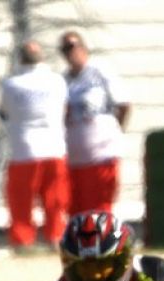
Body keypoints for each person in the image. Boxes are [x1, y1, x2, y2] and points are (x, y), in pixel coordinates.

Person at [0, 40, 69, 252]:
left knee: (21, 200)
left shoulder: (11, 84)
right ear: (42, 57)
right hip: (54, 146)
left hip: (24, 149)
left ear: (20, 58)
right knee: (55, 199)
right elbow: (65, 109)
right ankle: (56, 238)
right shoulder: (57, 81)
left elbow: (4, 112)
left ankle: (22, 241)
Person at [58, 31, 130, 215]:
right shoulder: (64, 80)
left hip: (101, 155)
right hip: (74, 158)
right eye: (64, 49)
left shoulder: (99, 72)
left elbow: (123, 105)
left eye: (72, 47)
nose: (69, 53)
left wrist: (113, 132)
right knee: (76, 212)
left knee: (99, 210)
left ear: (83, 48)